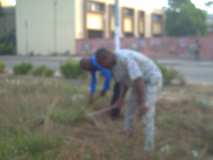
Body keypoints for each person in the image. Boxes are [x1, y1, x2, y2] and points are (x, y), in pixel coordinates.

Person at [95, 48, 163, 158]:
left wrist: (142, 103)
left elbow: (139, 80)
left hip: (151, 80)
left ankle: (148, 149)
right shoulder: (112, 66)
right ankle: (128, 135)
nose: (104, 67)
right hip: (137, 83)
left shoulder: (125, 59)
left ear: (107, 57)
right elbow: (123, 82)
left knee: (147, 113)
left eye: (103, 64)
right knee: (129, 110)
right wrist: (121, 99)